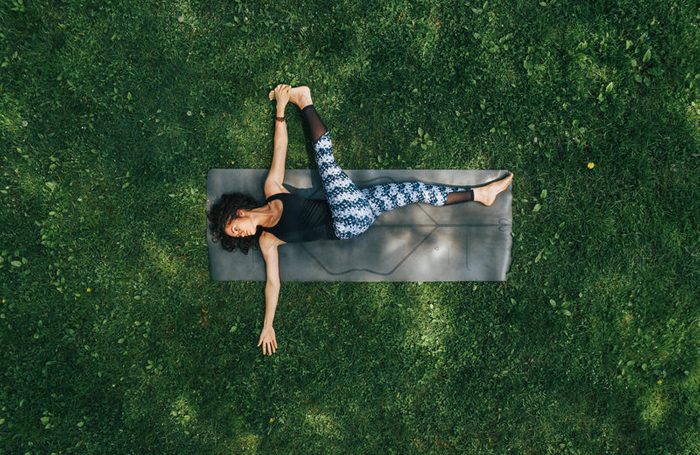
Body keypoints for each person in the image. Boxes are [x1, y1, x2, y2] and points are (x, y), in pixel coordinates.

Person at [207, 85, 514, 356]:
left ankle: (480, 195)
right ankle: (305, 100)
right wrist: (268, 325)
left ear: (240, 212)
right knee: (326, 163)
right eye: (237, 236)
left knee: (415, 190)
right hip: (347, 224)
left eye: (236, 228)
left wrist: (279, 111)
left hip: (357, 205)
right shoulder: (267, 240)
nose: (242, 234)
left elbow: (280, 150)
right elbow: (273, 283)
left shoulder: (271, 190)